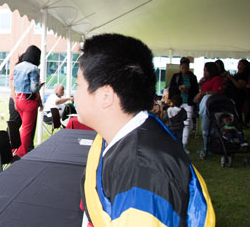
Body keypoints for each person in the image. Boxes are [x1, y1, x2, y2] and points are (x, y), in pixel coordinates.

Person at [76, 34, 215, 226]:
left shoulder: (144, 176)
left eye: (78, 86)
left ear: (106, 96)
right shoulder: (119, 134)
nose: (74, 95)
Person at [13, 45, 44, 157]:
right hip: (29, 101)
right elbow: (34, 88)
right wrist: (40, 85)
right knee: (27, 129)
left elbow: (14, 84)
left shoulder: (17, 67)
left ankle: (16, 149)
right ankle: (22, 153)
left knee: (23, 127)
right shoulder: (33, 69)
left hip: (18, 98)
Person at [168, 57, 199, 153]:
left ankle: (184, 144)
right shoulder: (176, 76)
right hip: (177, 102)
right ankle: (174, 143)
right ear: (180, 67)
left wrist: (188, 90)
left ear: (189, 67)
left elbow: (196, 90)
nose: (184, 68)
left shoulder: (192, 77)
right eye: (182, 66)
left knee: (186, 123)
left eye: (186, 66)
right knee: (174, 123)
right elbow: (171, 89)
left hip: (188, 102)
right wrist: (179, 88)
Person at [194, 62, 224, 152]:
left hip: (212, 106)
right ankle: (206, 146)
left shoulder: (217, 79)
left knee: (209, 127)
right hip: (203, 104)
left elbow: (217, 92)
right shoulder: (206, 80)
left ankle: (210, 147)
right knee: (205, 127)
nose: (204, 72)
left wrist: (204, 93)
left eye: (206, 70)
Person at [222, 59, 249, 124]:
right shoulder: (238, 73)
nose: (238, 65)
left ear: (244, 66)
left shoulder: (244, 74)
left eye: (240, 64)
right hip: (231, 94)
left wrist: (231, 78)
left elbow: (239, 86)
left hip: (238, 95)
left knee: (237, 110)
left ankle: (240, 123)